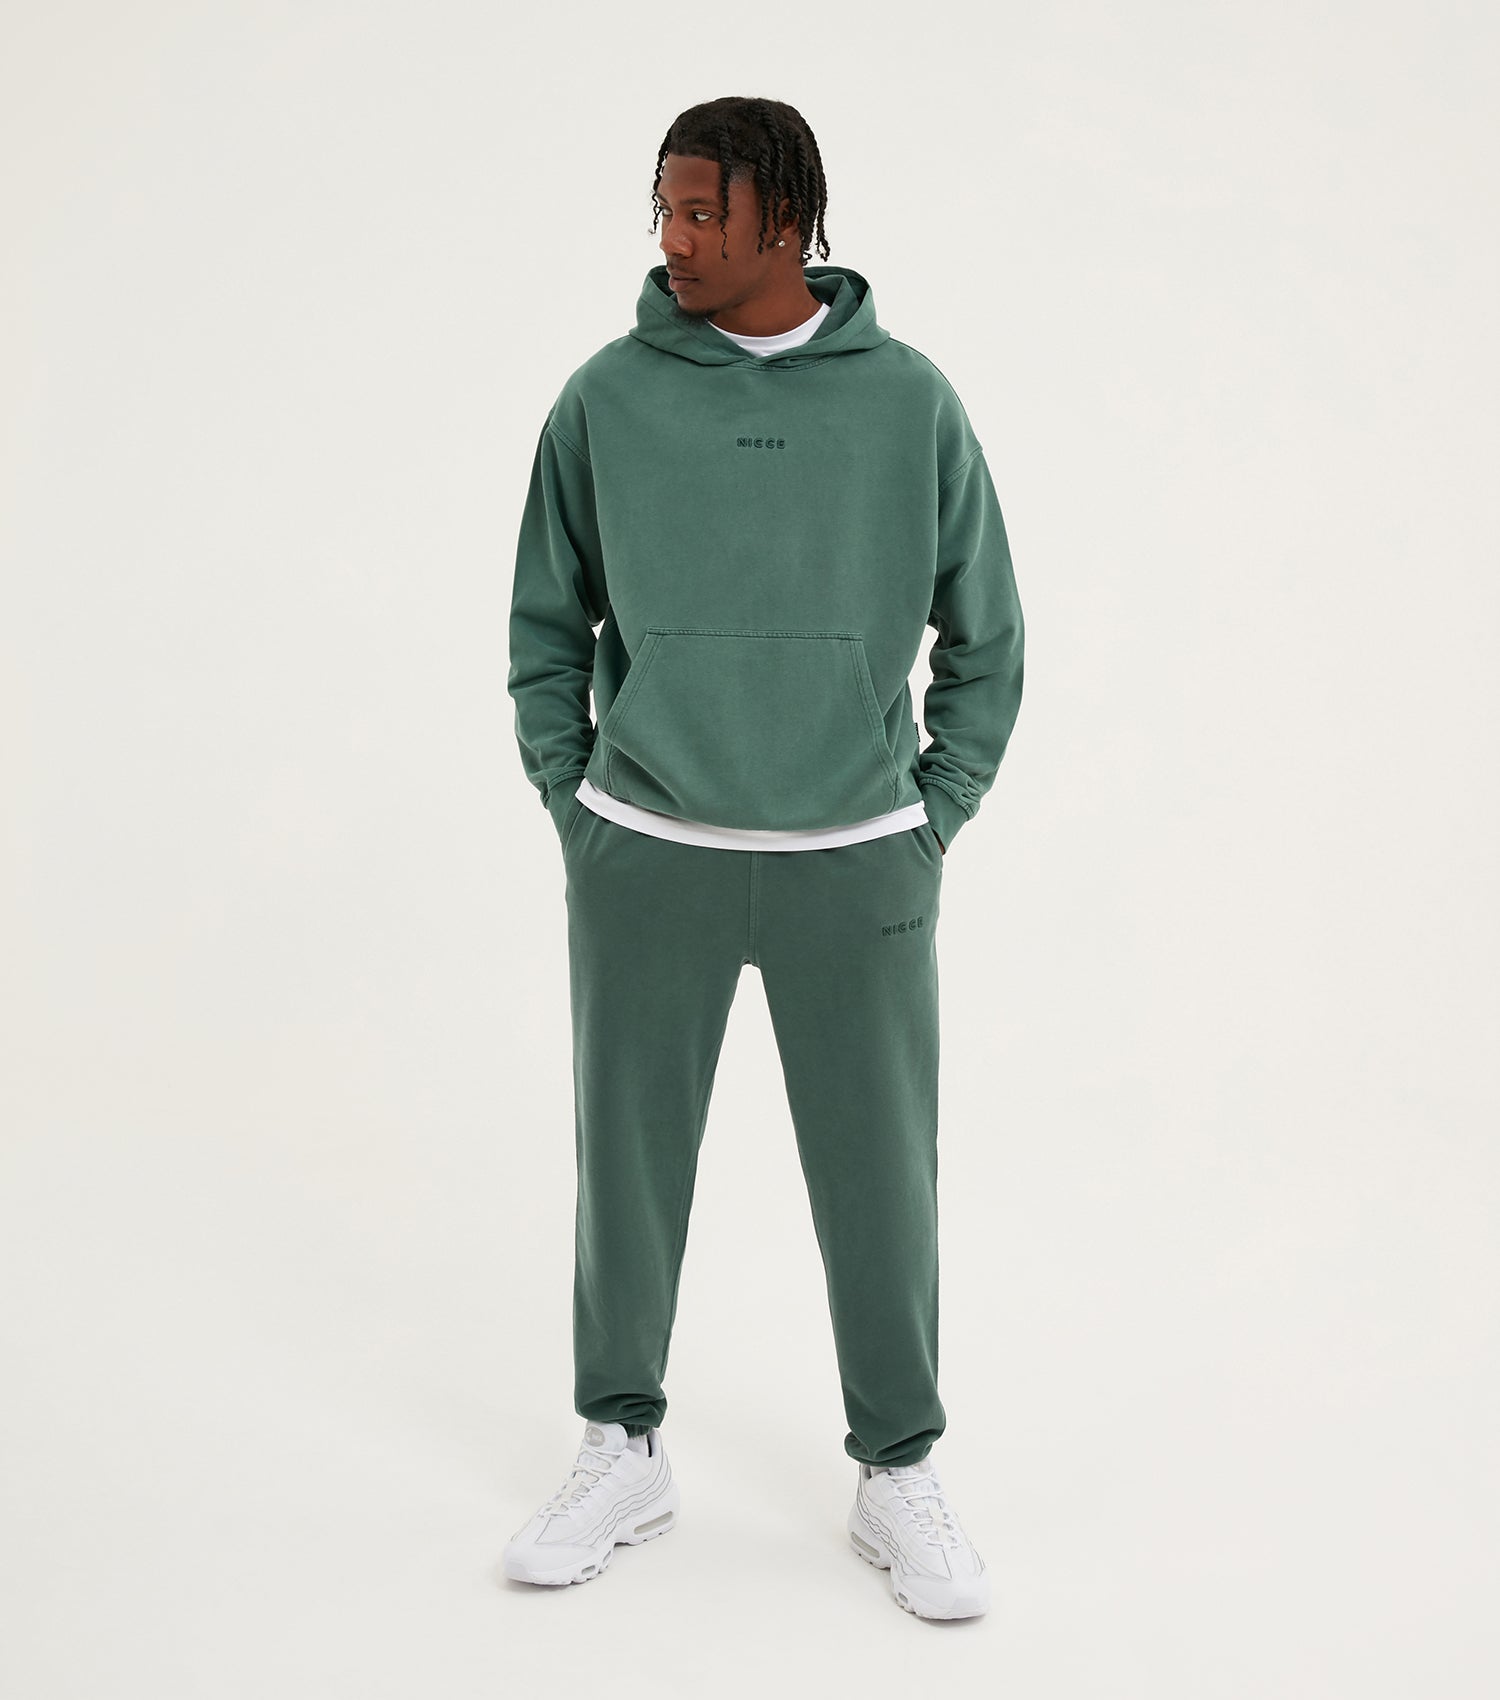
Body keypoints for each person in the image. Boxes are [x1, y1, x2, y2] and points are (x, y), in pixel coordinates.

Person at [502, 95, 1024, 1620]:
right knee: (626, 1166)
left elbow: (985, 633)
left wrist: (934, 811)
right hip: (647, 844)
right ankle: (621, 1447)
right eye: (662, 211)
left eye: (701, 213)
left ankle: (899, 1469)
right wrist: (576, 804)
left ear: (784, 223)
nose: (671, 241)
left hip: (855, 858)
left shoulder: (910, 404)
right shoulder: (606, 399)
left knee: (882, 1179)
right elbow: (546, 623)